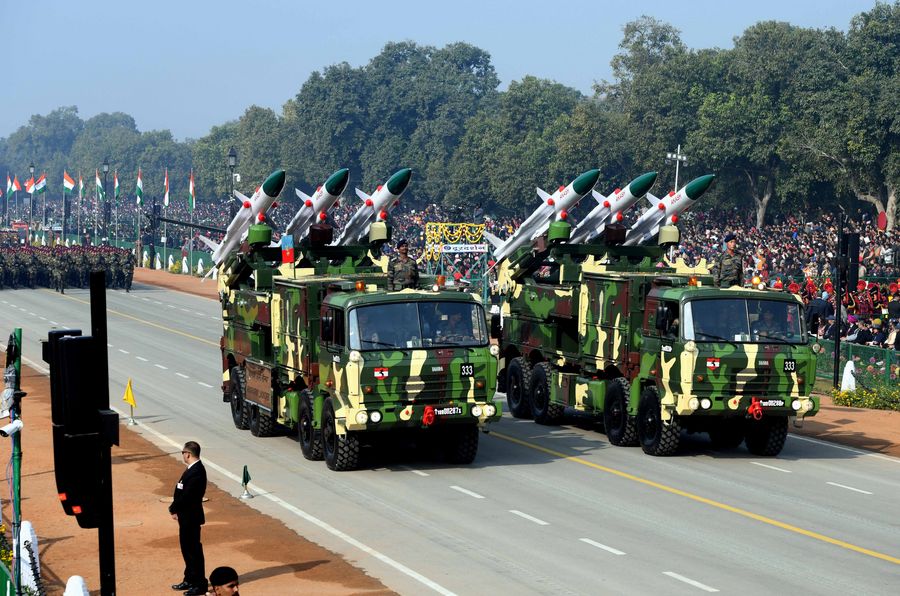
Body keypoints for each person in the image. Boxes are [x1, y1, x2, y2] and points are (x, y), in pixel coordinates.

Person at [170, 441, 208, 596]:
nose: (183, 455)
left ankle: (200, 584)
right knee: (187, 549)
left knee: (193, 551)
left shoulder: (197, 471)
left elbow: (188, 496)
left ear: (188, 453)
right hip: (186, 517)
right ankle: (190, 579)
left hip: (191, 517)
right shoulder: (192, 469)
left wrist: (173, 508)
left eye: (183, 453)